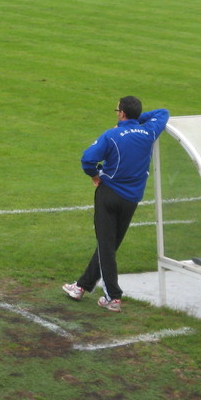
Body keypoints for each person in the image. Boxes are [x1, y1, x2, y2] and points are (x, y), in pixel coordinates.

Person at [62, 97, 170, 312]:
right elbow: (163, 112)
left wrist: (94, 175)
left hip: (109, 195)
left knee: (106, 246)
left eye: (118, 110)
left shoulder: (111, 135)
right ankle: (82, 286)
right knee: (109, 246)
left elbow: (87, 159)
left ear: (121, 114)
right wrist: (138, 120)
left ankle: (113, 297)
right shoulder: (149, 131)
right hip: (132, 199)